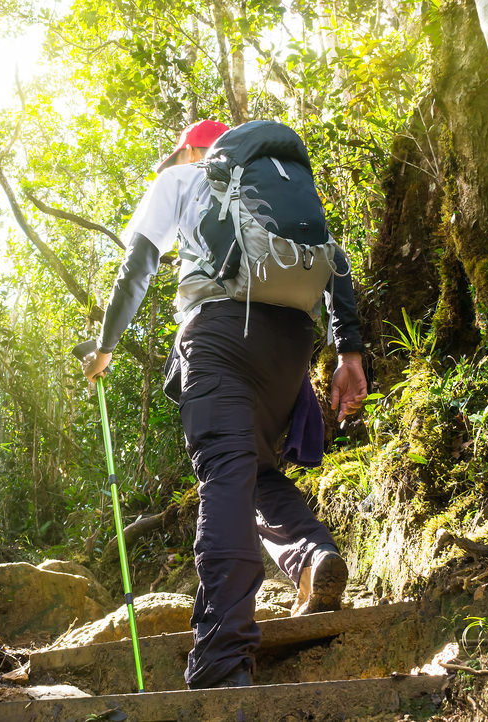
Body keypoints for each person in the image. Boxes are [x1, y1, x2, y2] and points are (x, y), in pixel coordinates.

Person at [80, 119, 367, 690]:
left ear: (192, 149)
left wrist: (106, 347)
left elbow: (136, 266)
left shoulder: (184, 181)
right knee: (258, 474)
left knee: (225, 479)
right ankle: (311, 559)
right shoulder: (282, 188)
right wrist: (349, 355)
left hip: (219, 337)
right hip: (289, 344)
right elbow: (334, 266)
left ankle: (222, 659)